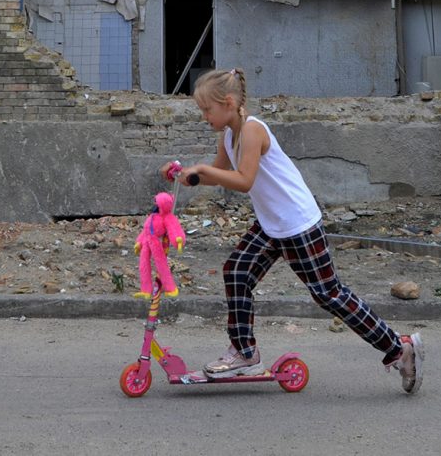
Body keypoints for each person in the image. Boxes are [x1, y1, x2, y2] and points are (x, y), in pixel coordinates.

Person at [177, 67, 424, 394]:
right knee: (236, 271)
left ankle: (398, 348)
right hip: (272, 224)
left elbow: (244, 180)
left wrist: (205, 170)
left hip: (297, 223)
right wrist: (189, 174)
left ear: (229, 102)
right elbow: (218, 174)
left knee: (329, 294)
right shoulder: (228, 136)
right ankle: (245, 353)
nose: (204, 116)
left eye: (207, 109)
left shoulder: (253, 130)